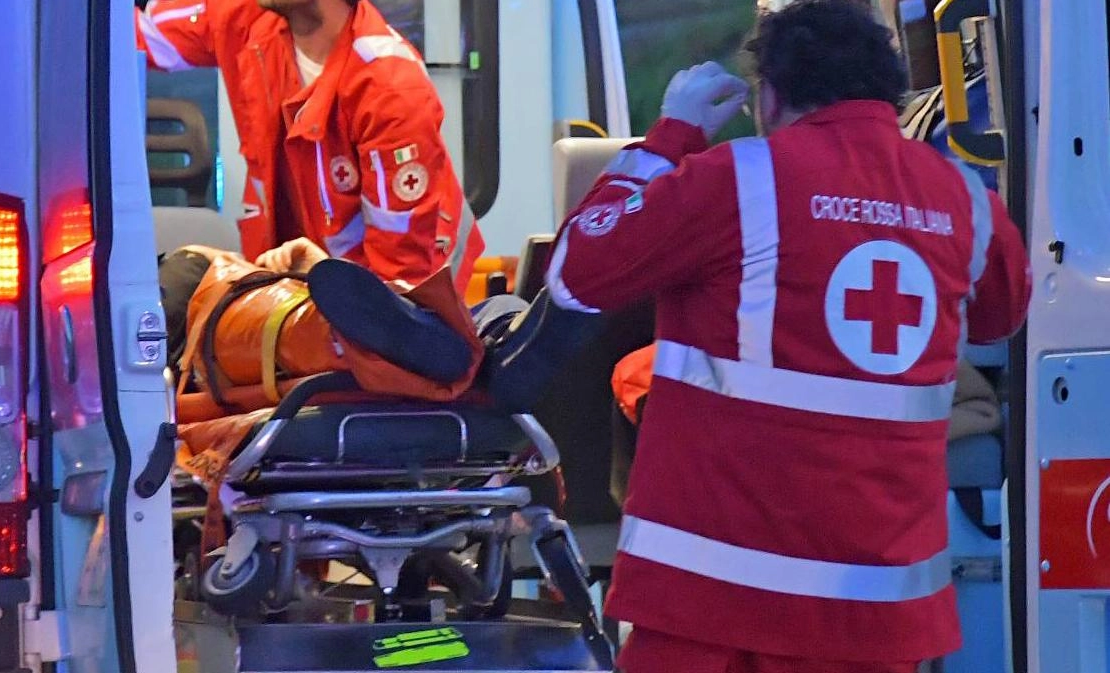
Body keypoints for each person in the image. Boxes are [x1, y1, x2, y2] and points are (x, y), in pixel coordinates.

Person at [543, 1, 1031, 671]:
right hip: (876, 617)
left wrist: (670, 135)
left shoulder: (736, 181)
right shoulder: (964, 201)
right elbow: (999, 317)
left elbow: (576, 274)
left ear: (768, 94)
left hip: (716, 610)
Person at [137, 0, 482, 293]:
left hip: (382, 299)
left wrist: (317, 284)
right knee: (181, 282)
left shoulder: (390, 91)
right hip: (290, 283)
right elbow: (125, 36)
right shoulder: (242, 16)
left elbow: (398, 293)